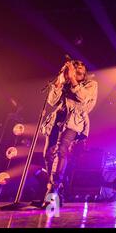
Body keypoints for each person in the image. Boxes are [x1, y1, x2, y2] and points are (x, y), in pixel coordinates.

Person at [40, 60, 98, 207]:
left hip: (73, 121)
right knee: (48, 153)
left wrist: (72, 78)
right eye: (74, 70)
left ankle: (52, 191)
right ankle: (59, 187)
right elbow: (52, 101)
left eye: (79, 71)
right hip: (57, 118)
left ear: (83, 74)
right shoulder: (65, 83)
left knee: (61, 150)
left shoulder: (91, 85)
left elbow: (82, 98)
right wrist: (60, 81)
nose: (76, 73)